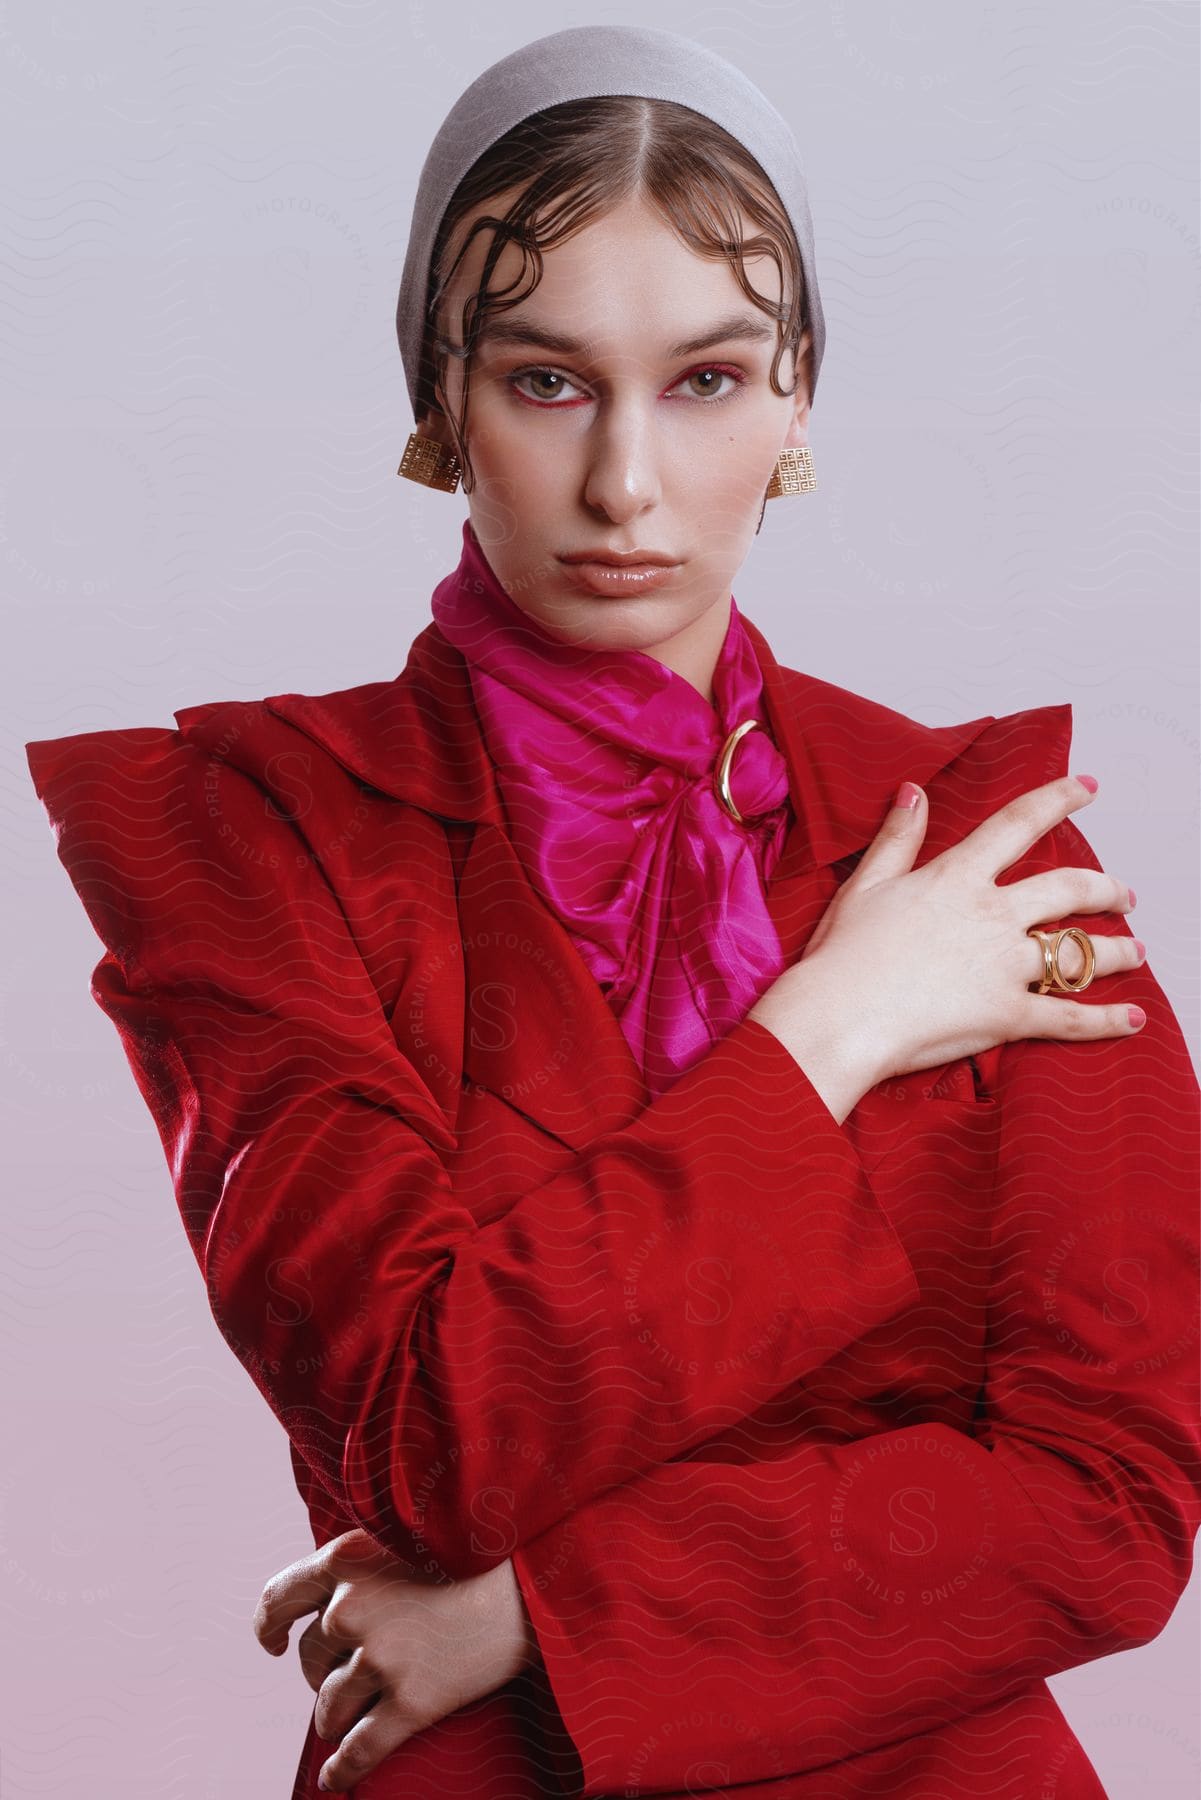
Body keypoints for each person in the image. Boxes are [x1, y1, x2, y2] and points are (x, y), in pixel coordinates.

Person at [23, 24, 1199, 1800]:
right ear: (438, 398)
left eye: (708, 381)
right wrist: (831, 1030)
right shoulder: (247, 836)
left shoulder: (974, 836)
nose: (626, 486)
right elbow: (427, 1434)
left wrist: (533, 1614)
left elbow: (1112, 1502)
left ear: (800, 394)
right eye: (547, 380)